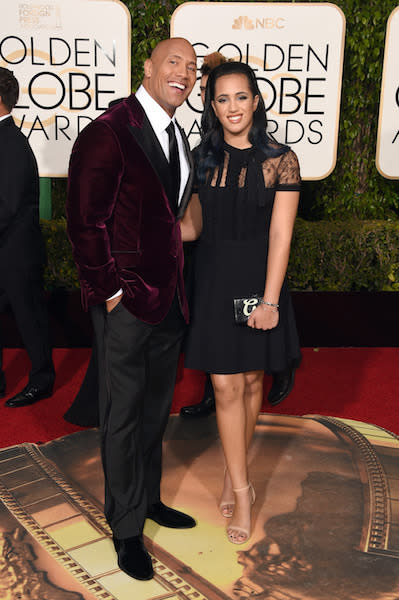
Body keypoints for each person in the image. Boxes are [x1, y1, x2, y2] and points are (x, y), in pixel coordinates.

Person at [66, 38, 197, 581]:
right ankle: (125, 529)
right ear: (147, 67)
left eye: (192, 68)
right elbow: (84, 222)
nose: (184, 74)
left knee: (152, 410)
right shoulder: (108, 131)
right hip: (126, 303)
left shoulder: (176, 132)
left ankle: (146, 500)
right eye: (174, 63)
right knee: (121, 416)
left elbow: (174, 214)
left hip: (168, 301)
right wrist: (111, 294)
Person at [180, 61, 301, 544]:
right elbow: (191, 228)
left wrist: (270, 300)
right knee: (226, 388)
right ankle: (245, 489)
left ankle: (233, 473)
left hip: (258, 282)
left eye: (241, 97)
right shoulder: (200, 159)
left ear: (256, 101)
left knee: (251, 382)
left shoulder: (280, 159)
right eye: (222, 99)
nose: (233, 107)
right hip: (212, 282)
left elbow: (280, 233)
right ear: (212, 106)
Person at [0, 67, 55, 407]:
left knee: (29, 318)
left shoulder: (12, 143)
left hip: (17, 254)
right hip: (5, 249)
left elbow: (6, 205)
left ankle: (42, 380)